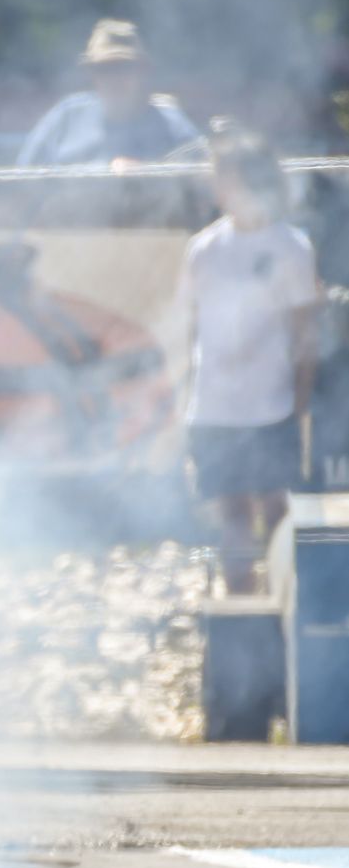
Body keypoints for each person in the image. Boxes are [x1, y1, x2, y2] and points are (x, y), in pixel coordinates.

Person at [178, 129, 322, 593]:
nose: (220, 186)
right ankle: (240, 607)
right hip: (214, 409)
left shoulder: (291, 247)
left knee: (276, 509)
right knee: (231, 512)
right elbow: (192, 329)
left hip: (271, 406)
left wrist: (300, 406)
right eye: (218, 176)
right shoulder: (204, 248)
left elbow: (305, 335)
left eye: (229, 176)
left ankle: (284, 603)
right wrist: (187, 399)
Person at [18, 19, 201, 167]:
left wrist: (146, 173)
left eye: (125, 67)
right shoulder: (66, 117)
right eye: (105, 68)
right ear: (91, 73)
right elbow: (23, 180)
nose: (115, 78)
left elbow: (206, 181)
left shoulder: (172, 125)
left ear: (142, 71)